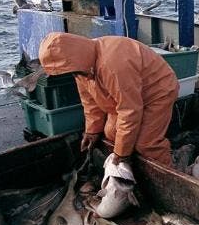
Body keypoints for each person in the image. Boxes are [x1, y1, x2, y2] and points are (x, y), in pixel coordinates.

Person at [38, 32, 178, 166]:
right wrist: (92, 131)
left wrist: (122, 154)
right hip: (126, 99)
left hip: (157, 93)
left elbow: (130, 110)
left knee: (146, 144)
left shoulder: (113, 65)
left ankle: (171, 177)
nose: (71, 74)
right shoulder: (80, 69)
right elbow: (90, 102)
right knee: (111, 133)